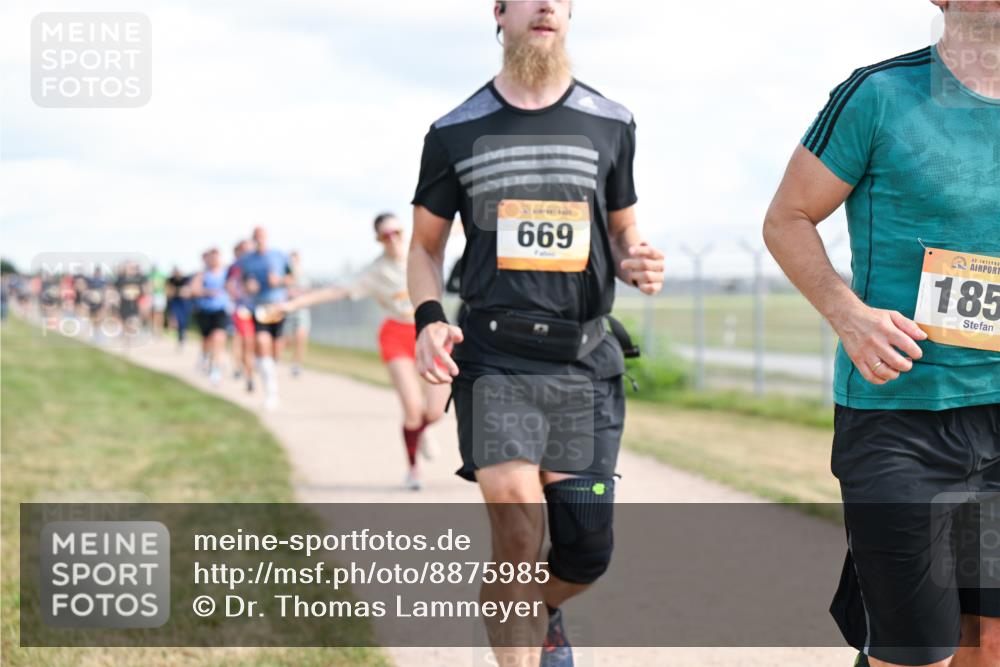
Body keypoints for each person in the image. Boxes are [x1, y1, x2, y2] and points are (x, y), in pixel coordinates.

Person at [407, 2, 664, 665]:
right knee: (518, 527)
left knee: (585, 550)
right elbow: (425, 248)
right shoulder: (455, 131)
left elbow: (623, 227)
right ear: (500, 12)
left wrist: (636, 255)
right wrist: (430, 319)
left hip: (582, 360)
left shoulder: (610, 122)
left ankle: (532, 609)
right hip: (496, 357)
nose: (546, 4)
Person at [763, 3, 1000, 666]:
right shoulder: (878, 94)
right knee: (918, 652)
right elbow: (787, 218)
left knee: (989, 644)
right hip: (901, 420)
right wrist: (847, 313)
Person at [275, 213, 450, 490]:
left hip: (432, 332)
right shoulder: (375, 272)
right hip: (397, 334)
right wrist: (293, 306)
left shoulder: (425, 252)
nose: (392, 239)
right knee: (413, 411)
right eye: (385, 236)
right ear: (379, 240)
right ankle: (413, 468)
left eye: (397, 232)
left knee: (436, 411)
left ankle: (422, 430)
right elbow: (335, 292)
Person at [238, 226, 292, 410]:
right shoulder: (246, 260)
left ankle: (272, 369)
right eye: (256, 237)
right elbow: (243, 282)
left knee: (276, 349)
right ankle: (271, 392)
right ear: (253, 239)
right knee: (262, 343)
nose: (259, 240)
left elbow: (292, 278)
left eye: (262, 237)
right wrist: (248, 286)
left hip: (277, 306)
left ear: (266, 238)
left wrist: (280, 281)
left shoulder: (279, 255)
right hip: (259, 307)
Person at [190, 248, 232, 386]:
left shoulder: (226, 273)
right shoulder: (202, 274)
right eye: (212, 258)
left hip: (221, 311)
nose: (214, 261)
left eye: (216, 258)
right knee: (207, 340)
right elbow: (194, 290)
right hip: (205, 311)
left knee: (218, 339)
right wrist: (207, 292)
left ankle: (215, 370)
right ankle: (204, 357)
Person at [227, 240, 256, 392]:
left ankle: (251, 368)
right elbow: (230, 286)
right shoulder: (235, 267)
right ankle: (248, 375)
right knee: (245, 342)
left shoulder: (259, 263)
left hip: (260, 309)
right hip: (242, 309)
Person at [285, 250, 312, 378]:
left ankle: (296, 364)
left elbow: (308, 292)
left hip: (302, 310)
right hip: (287, 311)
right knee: (286, 340)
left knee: (301, 337)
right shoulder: (284, 275)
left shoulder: (304, 275)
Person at [166, 266, 192, 349]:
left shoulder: (185, 279)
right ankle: (180, 335)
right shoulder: (171, 280)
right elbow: (169, 292)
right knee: (177, 318)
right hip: (175, 302)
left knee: (183, 319)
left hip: (183, 303)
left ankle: (182, 334)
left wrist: (179, 291)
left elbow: (187, 291)